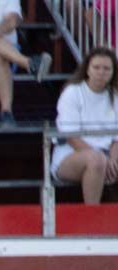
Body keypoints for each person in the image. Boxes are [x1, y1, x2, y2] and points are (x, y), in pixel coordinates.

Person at [50, 46, 118, 205]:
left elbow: (116, 138)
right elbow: (70, 136)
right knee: (96, 160)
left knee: (102, 159)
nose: (101, 72)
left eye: (106, 68)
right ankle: (91, 216)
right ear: (87, 68)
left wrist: (114, 159)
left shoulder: (115, 96)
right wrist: (104, 159)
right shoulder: (72, 93)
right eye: (96, 67)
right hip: (71, 156)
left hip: (108, 155)